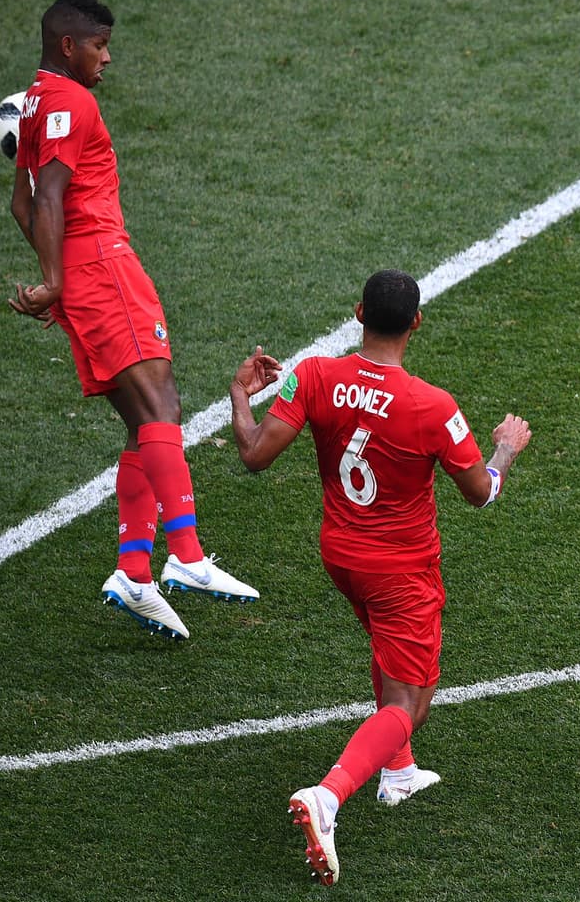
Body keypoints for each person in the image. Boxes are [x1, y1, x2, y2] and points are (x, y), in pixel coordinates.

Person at [229, 269, 532, 886]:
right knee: (410, 702)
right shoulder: (434, 407)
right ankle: (330, 796)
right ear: (416, 323)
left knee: (386, 651)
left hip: (342, 557)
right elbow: (480, 494)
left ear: (357, 312)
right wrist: (505, 449)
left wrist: (240, 393)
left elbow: (255, 454)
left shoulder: (313, 375)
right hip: (401, 570)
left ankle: (398, 772)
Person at [8, 0, 257, 641]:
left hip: (83, 278)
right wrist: (60, 279)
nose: (107, 57)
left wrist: (56, 287)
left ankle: (132, 571)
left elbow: (22, 202)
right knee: (162, 407)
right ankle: (188, 556)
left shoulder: (30, 101)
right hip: (102, 268)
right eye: (98, 45)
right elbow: (52, 195)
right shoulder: (68, 101)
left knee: (141, 426)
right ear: (69, 44)